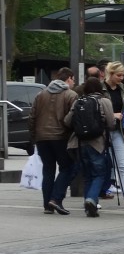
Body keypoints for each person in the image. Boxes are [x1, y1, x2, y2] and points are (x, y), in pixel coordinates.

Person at [64, 77, 118, 217]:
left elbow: (67, 121)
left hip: (80, 143)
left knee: (87, 175)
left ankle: (89, 207)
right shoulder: (104, 101)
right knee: (99, 174)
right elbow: (111, 123)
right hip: (97, 143)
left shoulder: (78, 101)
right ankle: (91, 200)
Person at [31, 68, 78, 215]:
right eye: (74, 79)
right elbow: (73, 118)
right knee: (68, 167)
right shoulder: (71, 95)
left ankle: (47, 205)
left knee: (48, 170)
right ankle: (55, 198)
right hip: (61, 137)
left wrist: (34, 136)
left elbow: (32, 117)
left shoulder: (40, 94)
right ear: (69, 78)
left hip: (42, 138)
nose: (74, 82)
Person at [101, 62, 124, 211]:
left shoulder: (123, 90)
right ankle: (93, 197)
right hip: (102, 131)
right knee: (100, 165)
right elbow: (95, 110)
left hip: (119, 131)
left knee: (122, 165)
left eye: (123, 75)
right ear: (110, 74)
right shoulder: (100, 88)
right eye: (119, 75)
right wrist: (112, 115)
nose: (121, 78)